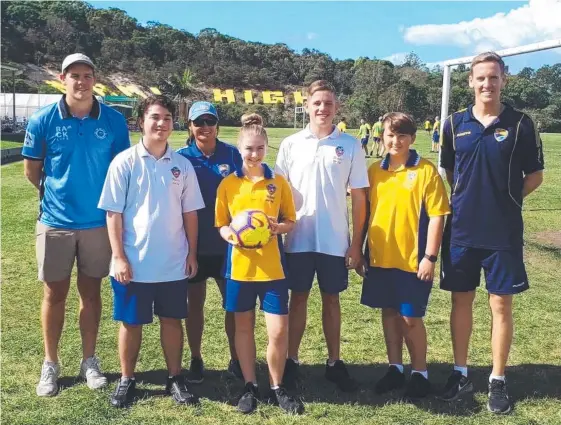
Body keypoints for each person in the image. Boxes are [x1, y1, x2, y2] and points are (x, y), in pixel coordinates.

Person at [438, 52, 544, 414]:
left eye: (493, 77)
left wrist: (505, 199)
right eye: (480, 78)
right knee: (460, 301)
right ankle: (460, 372)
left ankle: (497, 379)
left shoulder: (521, 123)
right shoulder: (453, 124)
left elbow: (535, 176)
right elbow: (451, 173)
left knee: (501, 304)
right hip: (462, 230)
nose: (487, 84)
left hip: (503, 232)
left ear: (504, 80)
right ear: (470, 81)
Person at [22, 53, 130, 397]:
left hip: (98, 223)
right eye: (74, 76)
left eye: (86, 75)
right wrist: (57, 196)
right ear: (62, 79)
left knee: (91, 293)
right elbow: (32, 170)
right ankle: (50, 364)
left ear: (94, 79)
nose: (80, 82)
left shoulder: (113, 121)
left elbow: (120, 172)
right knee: (54, 293)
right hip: (55, 222)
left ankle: (89, 360)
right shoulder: (43, 120)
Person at [98, 95, 205, 408]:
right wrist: (118, 256)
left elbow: (191, 214)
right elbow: (113, 213)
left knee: (172, 321)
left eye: (167, 118)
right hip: (133, 263)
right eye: (155, 117)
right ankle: (127, 379)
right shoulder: (124, 162)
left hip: (173, 263)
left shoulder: (182, 165)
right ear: (141, 122)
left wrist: (192, 254)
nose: (162, 123)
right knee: (131, 323)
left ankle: (175, 377)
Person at [275, 80, 369, 392]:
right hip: (297, 239)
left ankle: (334, 362)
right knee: (297, 298)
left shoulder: (351, 145)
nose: (322, 109)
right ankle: (292, 360)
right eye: (317, 103)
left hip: (334, 240)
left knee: (332, 299)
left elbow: (359, 198)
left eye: (328, 103)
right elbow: (276, 193)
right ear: (307, 106)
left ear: (336, 107)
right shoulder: (290, 144)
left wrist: (356, 243)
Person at [216, 113, 304, 415]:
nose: (254, 154)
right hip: (239, 269)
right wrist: (231, 235)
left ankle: (278, 386)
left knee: (278, 331)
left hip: (273, 270)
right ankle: (250, 385)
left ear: (267, 149)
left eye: (260, 149)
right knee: (243, 329)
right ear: (240, 150)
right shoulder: (228, 184)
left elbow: (290, 220)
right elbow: (221, 224)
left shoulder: (278, 183)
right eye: (249, 149)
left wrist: (276, 228)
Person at [357, 112, 450, 399]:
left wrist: (430, 257)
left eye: (402, 135)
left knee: (410, 318)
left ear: (412, 138)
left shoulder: (425, 170)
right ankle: (395, 367)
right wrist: (360, 251)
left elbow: (437, 217)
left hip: (413, 261)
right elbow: (365, 214)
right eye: (390, 135)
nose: (395, 141)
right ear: (381, 136)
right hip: (380, 258)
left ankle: (420, 373)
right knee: (388, 313)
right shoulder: (373, 170)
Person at [177, 102, 243, 383]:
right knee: (195, 305)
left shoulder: (232, 154)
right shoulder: (180, 158)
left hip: (228, 246)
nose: (204, 127)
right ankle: (196, 358)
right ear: (190, 127)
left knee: (234, 305)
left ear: (217, 124)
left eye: (209, 121)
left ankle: (237, 358)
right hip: (193, 246)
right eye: (198, 122)